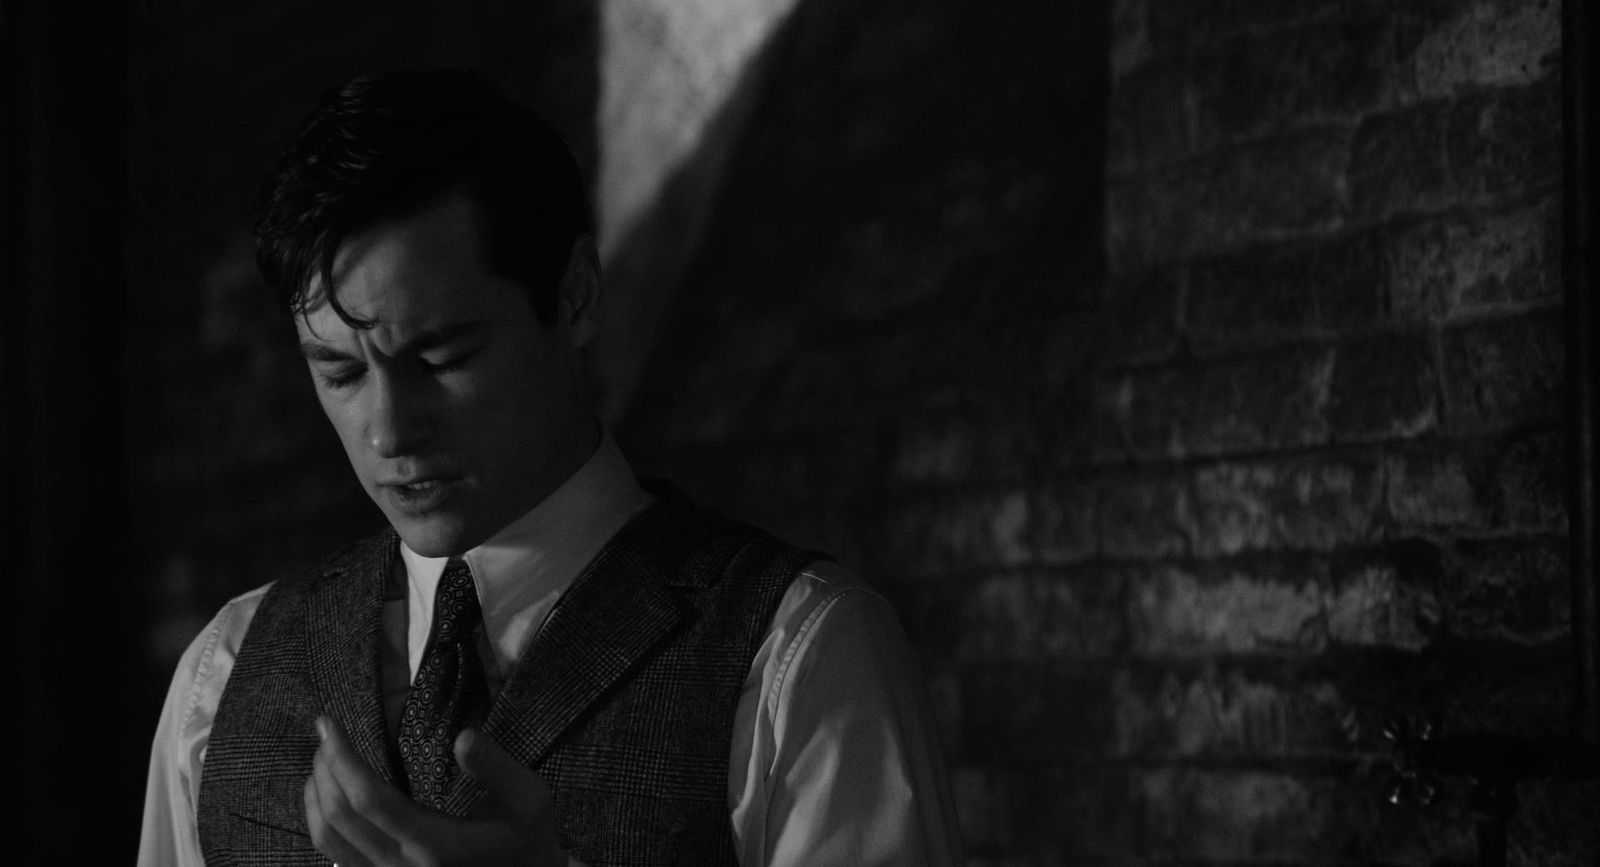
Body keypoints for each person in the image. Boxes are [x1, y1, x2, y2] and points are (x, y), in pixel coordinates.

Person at [138, 69, 963, 866]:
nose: (390, 429)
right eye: (341, 373)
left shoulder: (798, 659)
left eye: (443, 355)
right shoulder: (226, 675)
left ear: (575, 296)